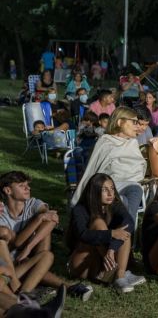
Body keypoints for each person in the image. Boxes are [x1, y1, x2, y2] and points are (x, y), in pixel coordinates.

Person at [0, 171, 93, 300]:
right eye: (22, 185)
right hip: (11, 267)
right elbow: (16, 243)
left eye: (28, 185)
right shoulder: (2, 213)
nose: (28, 188)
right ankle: (68, 287)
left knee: (47, 233)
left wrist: (28, 248)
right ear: (8, 190)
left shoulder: (33, 203)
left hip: (30, 255)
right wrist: (38, 219)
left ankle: (24, 295)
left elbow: (52, 218)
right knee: (42, 233)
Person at [71, 107, 146, 227]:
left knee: (134, 190)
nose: (138, 126)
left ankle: (125, 231)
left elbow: (138, 169)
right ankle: (125, 233)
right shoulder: (105, 143)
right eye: (134, 122)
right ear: (120, 122)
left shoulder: (133, 143)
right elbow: (94, 171)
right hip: (108, 185)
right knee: (124, 198)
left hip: (131, 185)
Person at [66, 173, 140, 293]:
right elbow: (83, 235)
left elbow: (129, 223)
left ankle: (119, 276)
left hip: (103, 264)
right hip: (81, 264)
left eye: (112, 188)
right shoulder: (80, 209)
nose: (110, 194)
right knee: (98, 223)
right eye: (105, 190)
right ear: (94, 192)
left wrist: (111, 249)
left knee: (124, 230)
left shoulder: (114, 205)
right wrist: (111, 234)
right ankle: (117, 273)